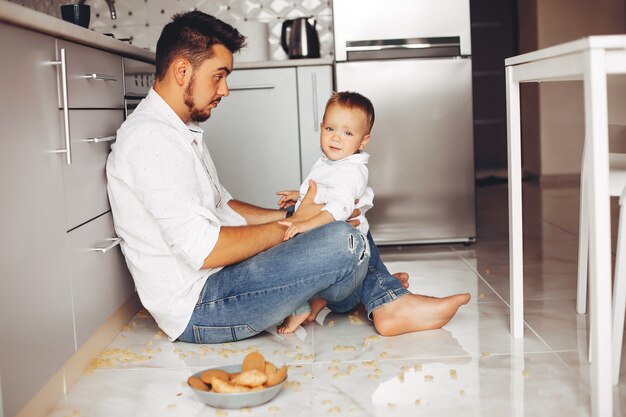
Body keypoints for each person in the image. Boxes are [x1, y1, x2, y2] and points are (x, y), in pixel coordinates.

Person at [106, 10, 470, 345]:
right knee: (342, 240)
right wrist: (295, 225)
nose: (225, 90)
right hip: (202, 307)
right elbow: (207, 250)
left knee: (342, 208)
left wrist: (295, 215)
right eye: (218, 76)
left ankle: (379, 295)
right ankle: (374, 293)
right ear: (183, 71)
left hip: (221, 280)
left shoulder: (177, 130)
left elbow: (223, 204)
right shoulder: (151, 141)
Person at [274, 91, 377, 334]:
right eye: (330, 129)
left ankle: (304, 304)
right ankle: (317, 302)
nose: (336, 138)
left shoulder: (351, 172)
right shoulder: (331, 163)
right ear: (321, 127)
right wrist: (299, 196)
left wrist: (305, 223)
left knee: (292, 256)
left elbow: (339, 206)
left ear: (363, 141)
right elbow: (324, 191)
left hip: (348, 266)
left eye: (348, 133)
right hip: (336, 264)